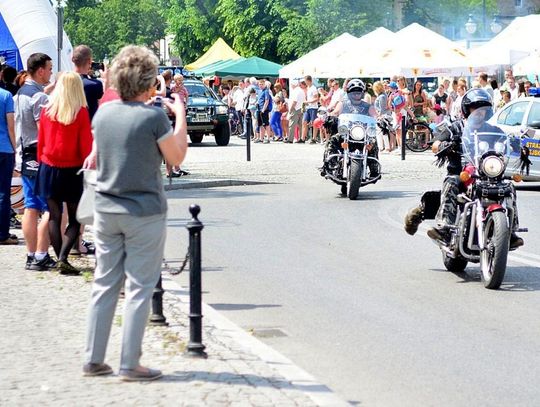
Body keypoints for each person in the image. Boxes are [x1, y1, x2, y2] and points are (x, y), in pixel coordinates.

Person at [83, 45, 188, 381]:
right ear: (148, 82)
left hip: (106, 207)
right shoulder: (152, 117)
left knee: (104, 283)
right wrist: (180, 114)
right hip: (143, 210)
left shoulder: (103, 114)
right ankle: (130, 363)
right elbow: (176, 157)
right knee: (140, 287)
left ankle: (93, 358)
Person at [404, 88, 523, 249]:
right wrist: (443, 145)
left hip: (487, 173)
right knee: (451, 182)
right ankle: (445, 229)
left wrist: (517, 146)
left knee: (509, 186)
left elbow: (506, 141)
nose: (480, 112)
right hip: (461, 173)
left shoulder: (493, 130)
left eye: (483, 109)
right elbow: (436, 143)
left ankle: (511, 232)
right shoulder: (456, 127)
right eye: (476, 108)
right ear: (467, 109)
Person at [35, 72, 93, 274]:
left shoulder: (47, 110)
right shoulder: (81, 112)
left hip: (48, 166)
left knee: (54, 215)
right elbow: (86, 145)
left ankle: (61, 259)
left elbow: (41, 140)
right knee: (75, 218)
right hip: (72, 169)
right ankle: (62, 258)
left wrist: (41, 161)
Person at [14, 53, 55, 271]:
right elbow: (44, 131)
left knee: (30, 206)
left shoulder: (21, 93)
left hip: (23, 154)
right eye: (49, 69)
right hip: (39, 155)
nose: (50, 73)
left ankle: (31, 254)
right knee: (50, 207)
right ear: (40, 71)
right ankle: (41, 254)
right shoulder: (39, 97)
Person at [323, 79, 379, 178]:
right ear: (349, 92)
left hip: (362, 134)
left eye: (359, 92)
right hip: (346, 133)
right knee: (332, 140)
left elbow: (375, 115)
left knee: (373, 142)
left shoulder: (368, 106)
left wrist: (381, 119)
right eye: (354, 92)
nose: (356, 94)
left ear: (362, 93)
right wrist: (330, 115)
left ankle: (374, 169)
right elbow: (336, 112)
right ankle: (330, 164)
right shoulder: (343, 103)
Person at [0, 82, 16, 245]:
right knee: (3, 193)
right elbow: (11, 125)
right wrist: (14, 147)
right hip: (4, 148)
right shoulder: (6, 95)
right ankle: (2, 234)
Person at [302, 75, 319, 144]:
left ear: (308, 81)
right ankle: (303, 138)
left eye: (305, 81)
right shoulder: (308, 88)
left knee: (314, 123)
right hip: (308, 107)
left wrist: (308, 102)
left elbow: (316, 98)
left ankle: (314, 138)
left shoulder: (314, 88)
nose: (305, 83)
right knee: (304, 122)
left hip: (313, 108)